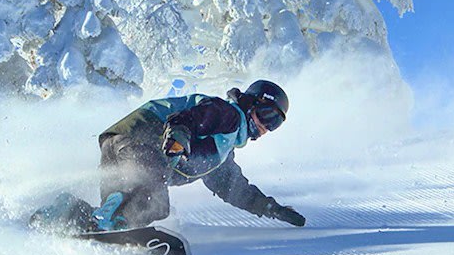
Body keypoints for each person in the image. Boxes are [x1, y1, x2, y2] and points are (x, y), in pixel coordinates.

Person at [90, 80, 305, 231]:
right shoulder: (227, 114)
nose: (266, 127)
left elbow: (235, 189)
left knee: (120, 206)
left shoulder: (221, 152)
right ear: (250, 103)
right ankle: (117, 226)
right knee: (154, 204)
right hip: (141, 140)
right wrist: (178, 136)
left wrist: (271, 208)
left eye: (275, 123)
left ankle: (89, 222)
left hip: (116, 143)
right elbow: (187, 119)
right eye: (267, 115)